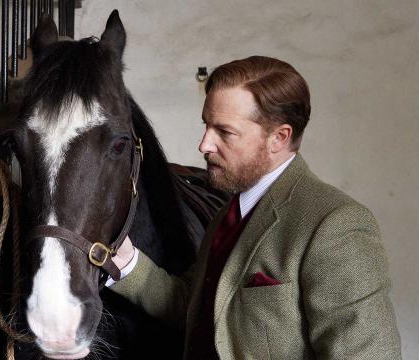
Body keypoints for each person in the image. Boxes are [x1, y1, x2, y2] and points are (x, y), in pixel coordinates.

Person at [109, 56, 401, 359]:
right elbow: (200, 309)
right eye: (206, 126)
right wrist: (126, 262)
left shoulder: (336, 224)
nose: (204, 145)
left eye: (225, 132)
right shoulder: (230, 212)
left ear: (279, 137)